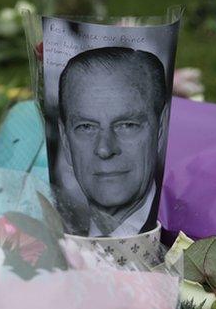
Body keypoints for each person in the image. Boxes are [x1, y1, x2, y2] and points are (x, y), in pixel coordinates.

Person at [57, 46, 168, 237]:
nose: (104, 149)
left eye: (127, 125)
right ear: (65, 139)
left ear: (161, 128)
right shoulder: (38, 236)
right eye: (86, 127)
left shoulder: (191, 235)